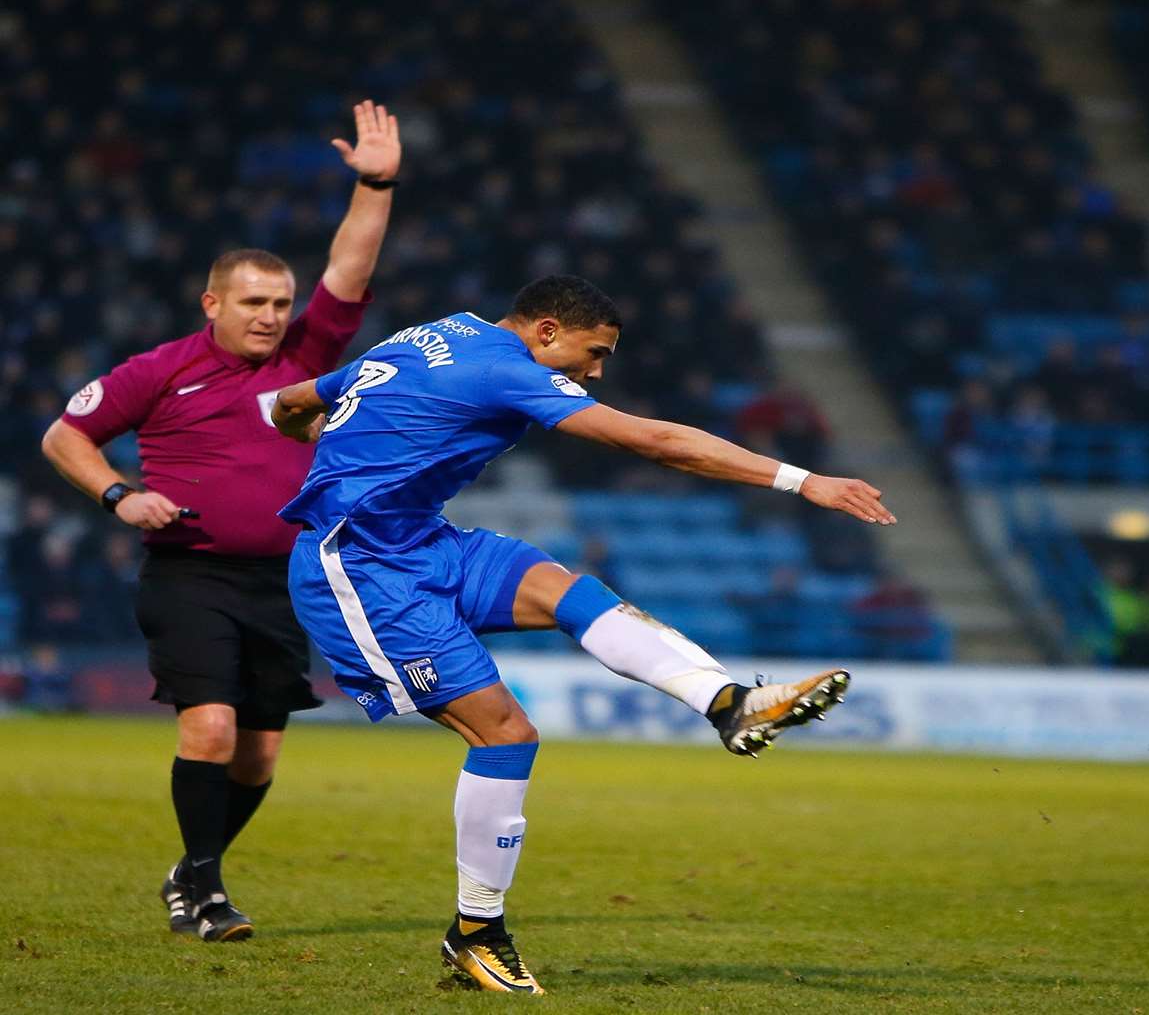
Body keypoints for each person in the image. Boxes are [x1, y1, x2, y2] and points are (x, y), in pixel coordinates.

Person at [270, 275, 895, 995]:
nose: (595, 372)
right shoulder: (502, 366)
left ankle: (729, 703)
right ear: (545, 332)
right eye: (592, 353)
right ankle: (476, 936)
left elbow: (295, 401)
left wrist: (309, 437)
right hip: (361, 567)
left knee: (570, 592)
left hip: (424, 542)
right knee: (505, 736)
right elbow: (659, 441)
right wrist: (801, 479)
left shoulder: (439, 332)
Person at [38, 100, 400, 942]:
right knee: (209, 726)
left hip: (285, 581)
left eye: (280, 301)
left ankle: (191, 871)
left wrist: (377, 184)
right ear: (212, 303)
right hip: (190, 571)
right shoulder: (159, 371)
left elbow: (349, 266)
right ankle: (206, 895)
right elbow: (65, 434)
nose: (273, 316)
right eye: (255, 302)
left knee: (259, 756)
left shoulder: (307, 359)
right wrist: (119, 495)